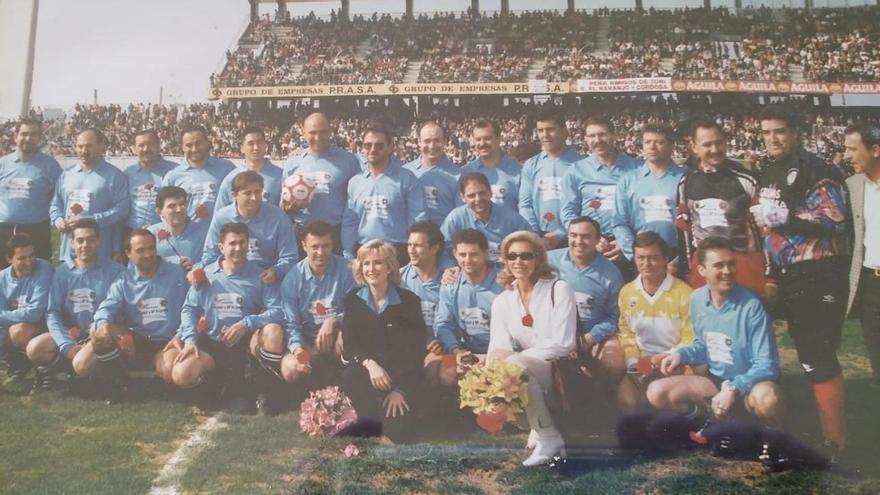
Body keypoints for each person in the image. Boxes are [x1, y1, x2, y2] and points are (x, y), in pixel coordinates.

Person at [755, 107, 849, 452]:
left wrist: (789, 217)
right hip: (786, 273)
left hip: (819, 272)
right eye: (766, 133)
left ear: (796, 132)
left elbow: (836, 221)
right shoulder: (767, 171)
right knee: (803, 350)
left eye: (779, 131)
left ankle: (835, 440)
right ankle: (816, 425)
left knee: (817, 352)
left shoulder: (819, 168)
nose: (772, 139)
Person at [648, 237, 781, 423]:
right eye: (719, 266)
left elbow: (767, 364)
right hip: (715, 382)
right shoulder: (696, 299)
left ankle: (766, 437)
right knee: (657, 392)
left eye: (731, 264)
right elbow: (703, 345)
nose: (727, 271)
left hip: (749, 384)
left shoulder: (752, 305)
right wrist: (680, 355)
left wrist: (734, 388)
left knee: (767, 398)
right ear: (702, 270)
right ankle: (711, 420)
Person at [170, 223, 284, 413]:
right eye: (232, 243)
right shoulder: (204, 276)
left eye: (242, 243)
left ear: (248, 245)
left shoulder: (260, 275)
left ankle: (264, 391)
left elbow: (278, 310)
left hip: (246, 345)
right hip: (215, 344)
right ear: (221, 248)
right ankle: (212, 388)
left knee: (274, 331)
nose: (238, 248)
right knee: (181, 373)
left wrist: (247, 323)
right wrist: (190, 340)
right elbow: (189, 309)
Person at [488, 230, 577, 466]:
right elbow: (497, 347)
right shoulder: (502, 300)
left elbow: (565, 343)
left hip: (563, 372)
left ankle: (549, 436)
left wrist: (516, 359)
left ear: (538, 258)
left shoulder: (558, 289)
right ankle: (537, 425)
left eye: (526, 256)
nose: (518, 262)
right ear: (505, 260)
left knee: (515, 366)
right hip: (527, 371)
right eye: (512, 256)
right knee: (506, 368)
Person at [340, 240, 426, 442]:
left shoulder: (409, 301)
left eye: (378, 263)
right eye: (366, 264)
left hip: (400, 377)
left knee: (400, 432)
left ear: (389, 267)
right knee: (351, 374)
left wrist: (399, 390)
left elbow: (415, 351)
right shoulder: (352, 300)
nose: (371, 269)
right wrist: (370, 364)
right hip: (367, 375)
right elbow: (351, 345)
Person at [90, 229, 188, 396]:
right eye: (140, 250)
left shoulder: (177, 273)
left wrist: (181, 334)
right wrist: (102, 324)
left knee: (168, 370)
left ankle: (158, 379)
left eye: (151, 248)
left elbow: (193, 308)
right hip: (137, 341)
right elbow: (107, 307)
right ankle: (120, 382)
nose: (148, 254)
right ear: (128, 253)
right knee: (100, 331)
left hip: (168, 341)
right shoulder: (123, 279)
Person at [28, 219, 124, 386]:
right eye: (80, 240)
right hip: (72, 333)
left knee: (81, 364)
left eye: (91, 239)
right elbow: (53, 312)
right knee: (35, 348)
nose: (85, 245)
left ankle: (106, 374)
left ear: (99, 241)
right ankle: (66, 368)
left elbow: (119, 310)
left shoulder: (115, 271)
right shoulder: (62, 273)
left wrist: (98, 332)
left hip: (101, 334)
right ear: (72, 243)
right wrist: (66, 344)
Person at [676, 119, 765, 296]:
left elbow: (764, 232)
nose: (715, 150)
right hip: (705, 269)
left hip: (743, 267)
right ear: (694, 147)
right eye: (707, 144)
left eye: (718, 143)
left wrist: (769, 277)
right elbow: (684, 231)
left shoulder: (747, 179)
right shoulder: (685, 183)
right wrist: (688, 271)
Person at [616, 232, 693, 409]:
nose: (646, 264)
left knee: (659, 400)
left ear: (666, 259)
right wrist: (634, 363)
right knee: (628, 401)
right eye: (640, 258)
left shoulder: (685, 293)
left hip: (675, 362)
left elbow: (690, 337)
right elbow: (626, 334)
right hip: (643, 363)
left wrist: (666, 358)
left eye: (653, 258)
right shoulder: (626, 292)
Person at [560, 116, 641, 278]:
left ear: (615, 135)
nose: (597, 140)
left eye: (602, 134)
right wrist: (590, 239)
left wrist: (626, 243)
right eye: (591, 136)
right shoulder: (576, 170)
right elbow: (568, 211)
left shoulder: (637, 168)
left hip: (629, 247)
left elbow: (643, 213)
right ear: (585, 139)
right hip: (591, 247)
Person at [548, 217, 625, 385]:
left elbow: (615, 317)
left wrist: (590, 338)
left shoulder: (611, 273)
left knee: (614, 363)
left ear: (598, 239)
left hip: (591, 334)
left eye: (586, 236)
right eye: (573, 235)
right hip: (552, 332)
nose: (578, 241)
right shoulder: (548, 261)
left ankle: (602, 401)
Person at [279, 221, 356, 390]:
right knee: (290, 368)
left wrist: (334, 321)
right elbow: (291, 323)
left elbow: (356, 310)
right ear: (304, 246)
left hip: (338, 337)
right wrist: (298, 350)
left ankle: (345, 385)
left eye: (325, 246)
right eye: (315, 247)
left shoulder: (347, 270)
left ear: (332, 244)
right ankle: (303, 392)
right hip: (309, 340)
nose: (320, 252)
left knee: (350, 337)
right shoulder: (292, 279)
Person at [341, 123, 426, 266]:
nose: (373, 150)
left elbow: (418, 219)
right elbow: (350, 222)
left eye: (379, 145)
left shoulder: (407, 178)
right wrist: (349, 253)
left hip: (397, 251)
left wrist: (414, 252)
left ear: (390, 147)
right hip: (364, 249)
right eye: (368, 145)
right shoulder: (355, 182)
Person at [432, 229, 503, 386]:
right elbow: (444, 324)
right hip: (468, 350)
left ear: (485, 253)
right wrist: (457, 351)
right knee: (448, 373)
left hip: (502, 351)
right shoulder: (450, 284)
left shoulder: (504, 281)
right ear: (455, 254)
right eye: (463, 255)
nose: (468, 260)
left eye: (474, 254)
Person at [283, 112, 361, 254]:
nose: (318, 138)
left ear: (330, 130)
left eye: (323, 132)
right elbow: (282, 204)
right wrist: (289, 208)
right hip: (302, 232)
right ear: (303, 132)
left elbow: (357, 202)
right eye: (312, 132)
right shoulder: (293, 163)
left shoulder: (349, 161)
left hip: (335, 232)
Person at [201, 171, 297, 285]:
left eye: (258, 192)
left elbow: (290, 257)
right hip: (230, 279)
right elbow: (210, 255)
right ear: (234, 195)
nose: (254, 198)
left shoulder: (279, 218)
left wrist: (276, 271)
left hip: (265, 281)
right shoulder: (221, 218)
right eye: (247, 193)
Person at [612, 124, 685, 271]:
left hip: (676, 256)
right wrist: (634, 256)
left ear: (671, 146)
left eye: (659, 142)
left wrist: (679, 261)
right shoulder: (628, 180)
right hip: (641, 255)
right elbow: (620, 222)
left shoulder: (685, 177)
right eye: (647, 142)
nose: (652, 147)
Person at [50, 128, 129, 263]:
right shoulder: (66, 175)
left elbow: (122, 210)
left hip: (101, 251)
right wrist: (58, 221)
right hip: (70, 251)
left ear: (101, 146)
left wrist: (92, 220)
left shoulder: (115, 175)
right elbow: (55, 204)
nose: (84, 151)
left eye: (89, 146)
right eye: (80, 146)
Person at [844, 123, 880, 387]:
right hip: (870, 283)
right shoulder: (853, 185)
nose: (847, 155)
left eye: (852, 149)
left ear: (875, 150)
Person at [0, 119, 62, 268]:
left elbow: (60, 198)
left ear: (40, 137)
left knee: (39, 274)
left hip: (36, 230)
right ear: (15, 136)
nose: (28, 138)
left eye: (33, 134)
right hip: (4, 230)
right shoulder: (3, 164)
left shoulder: (50, 166)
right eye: (24, 134)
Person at [519, 112, 584, 250]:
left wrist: (563, 233)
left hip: (575, 236)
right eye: (541, 130)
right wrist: (534, 235)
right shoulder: (531, 164)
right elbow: (525, 204)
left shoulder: (582, 164)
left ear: (564, 131)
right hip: (540, 238)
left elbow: (585, 205)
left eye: (550, 129)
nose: (545, 135)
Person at [440, 172, 531, 264]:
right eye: (471, 195)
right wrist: (449, 267)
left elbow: (531, 244)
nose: (478, 199)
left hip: (504, 272)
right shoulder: (456, 218)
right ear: (463, 197)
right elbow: (441, 248)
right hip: (467, 271)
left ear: (490, 193)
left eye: (482, 193)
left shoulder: (512, 219)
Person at [0, 234, 54, 386]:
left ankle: (36, 365)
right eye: (22, 258)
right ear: (9, 259)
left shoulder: (44, 269)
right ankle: (17, 363)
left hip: (45, 325)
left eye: (32, 256)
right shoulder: (1, 279)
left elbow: (36, 312)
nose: (29, 262)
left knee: (19, 330)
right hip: (13, 328)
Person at [399, 222, 456, 358]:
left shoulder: (450, 278)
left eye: (417, 246)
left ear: (434, 248)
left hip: (446, 350)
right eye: (409, 245)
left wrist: (443, 342)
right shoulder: (398, 278)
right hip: (408, 348)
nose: (411, 251)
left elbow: (459, 320)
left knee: (445, 372)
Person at [161, 125, 235, 225]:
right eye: (189, 145)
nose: (194, 149)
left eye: (198, 143)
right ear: (182, 147)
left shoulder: (227, 168)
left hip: (221, 232)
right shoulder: (173, 176)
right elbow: (164, 210)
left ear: (207, 143)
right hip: (189, 237)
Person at [404, 121, 462, 226]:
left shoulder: (458, 175)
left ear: (445, 141)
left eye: (437, 140)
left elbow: (460, 215)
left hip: (444, 239)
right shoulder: (405, 172)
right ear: (419, 142)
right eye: (427, 141)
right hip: (411, 239)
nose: (432, 146)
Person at [215, 126, 283, 210]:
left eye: (260, 142)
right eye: (251, 144)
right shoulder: (231, 179)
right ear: (242, 148)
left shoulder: (281, 176)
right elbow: (220, 215)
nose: (256, 148)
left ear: (266, 146)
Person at [123, 129, 178, 232]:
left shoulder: (175, 171)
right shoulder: (127, 174)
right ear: (134, 149)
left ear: (158, 145)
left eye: (150, 144)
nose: (146, 149)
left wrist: (156, 227)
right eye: (141, 145)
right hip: (133, 232)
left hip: (165, 231)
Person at [461, 120, 521, 211]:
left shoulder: (518, 172)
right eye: (478, 139)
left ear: (499, 139)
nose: (482, 143)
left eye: (487, 138)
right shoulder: (465, 172)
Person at [148, 186, 209, 270]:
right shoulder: (150, 234)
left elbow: (213, 261)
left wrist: (196, 267)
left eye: (182, 204)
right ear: (159, 212)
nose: (179, 209)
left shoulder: (204, 233)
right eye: (172, 206)